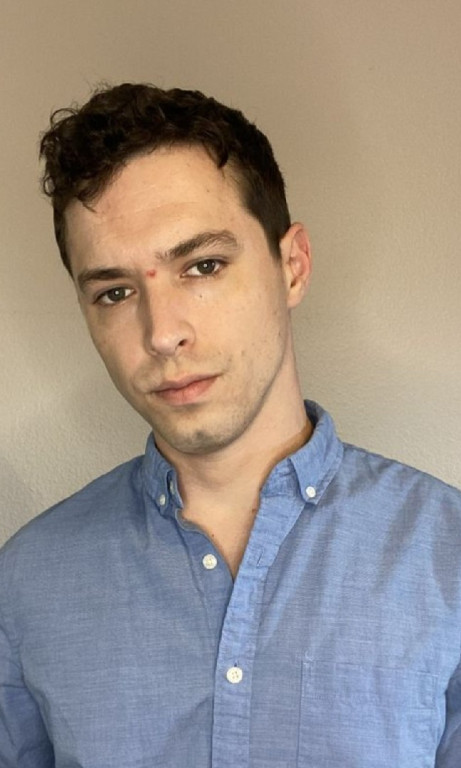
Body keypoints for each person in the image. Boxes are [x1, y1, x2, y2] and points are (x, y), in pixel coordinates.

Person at [0, 83, 460, 768]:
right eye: (115, 292)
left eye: (203, 265)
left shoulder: (446, 557)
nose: (162, 333)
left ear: (292, 266)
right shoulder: (26, 581)